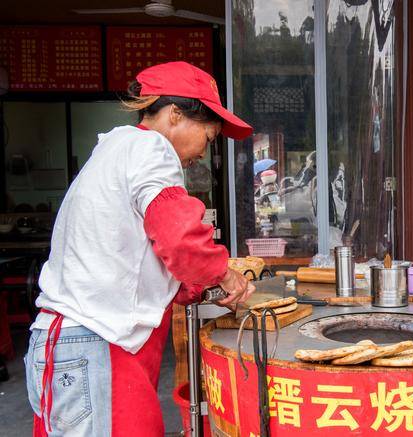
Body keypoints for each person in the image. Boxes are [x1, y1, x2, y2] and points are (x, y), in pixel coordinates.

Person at [24, 61, 255, 436]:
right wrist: (224, 274)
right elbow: (179, 235)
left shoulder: (117, 149)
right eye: (209, 139)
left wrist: (199, 286)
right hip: (93, 343)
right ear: (175, 115)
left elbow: (140, 259)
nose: (203, 153)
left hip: (80, 347)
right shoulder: (150, 148)